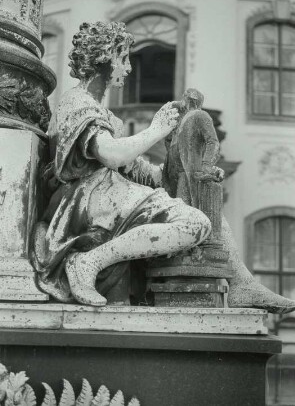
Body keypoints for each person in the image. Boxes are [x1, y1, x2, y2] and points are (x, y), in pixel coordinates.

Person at [31, 21, 211, 307]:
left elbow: (142, 172)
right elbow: (113, 156)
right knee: (194, 222)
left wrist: (180, 152)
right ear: (104, 57)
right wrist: (155, 130)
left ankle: (242, 283)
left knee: (201, 214)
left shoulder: (104, 115)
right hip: (89, 199)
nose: (128, 68)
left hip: (108, 194)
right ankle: (87, 262)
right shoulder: (76, 101)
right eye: (123, 58)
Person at [164, 87, 295, 314]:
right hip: (180, 190)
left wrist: (207, 168)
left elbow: (212, 143)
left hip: (186, 187)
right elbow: (200, 150)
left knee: (209, 225)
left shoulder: (190, 122)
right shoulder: (181, 129)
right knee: (204, 226)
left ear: (189, 101)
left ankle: (242, 285)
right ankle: (242, 285)